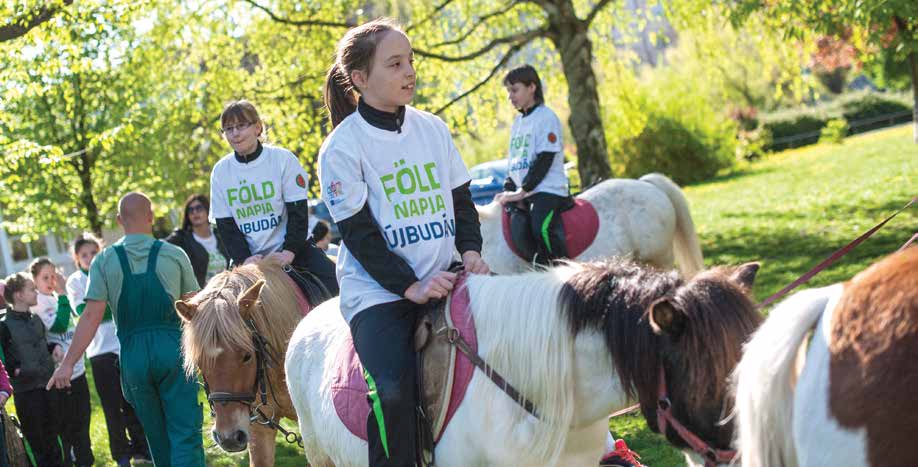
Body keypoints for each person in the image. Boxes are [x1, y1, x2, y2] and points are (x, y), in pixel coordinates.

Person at [319, 18, 489, 466]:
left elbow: (462, 200)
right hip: (379, 294)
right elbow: (358, 234)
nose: (409, 72)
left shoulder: (432, 128)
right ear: (359, 79)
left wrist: (470, 251)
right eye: (394, 64)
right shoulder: (341, 147)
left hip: (449, 277)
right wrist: (409, 286)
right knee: (392, 390)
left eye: (410, 61)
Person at [47, 192, 205, 467]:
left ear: (119, 220)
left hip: (132, 358)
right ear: (151, 217)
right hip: (174, 351)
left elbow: (90, 316)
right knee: (185, 434)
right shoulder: (174, 254)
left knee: (156, 438)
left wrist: (67, 364)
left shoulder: (104, 260)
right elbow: (195, 310)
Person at [209, 99, 339, 295]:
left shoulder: (282, 159)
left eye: (241, 125)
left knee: (336, 285)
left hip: (294, 251)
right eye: (228, 128)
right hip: (248, 259)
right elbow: (226, 227)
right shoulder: (220, 171)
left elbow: (298, 213)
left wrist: (289, 251)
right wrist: (245, 258)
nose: (235, 133)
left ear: (258, 127)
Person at [65, 234, 151, 467]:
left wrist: (102, 306)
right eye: (84, 255)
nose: (90, 258)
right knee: (112, 407)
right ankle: (121, 455)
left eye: (94, 252)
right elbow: (85, 312)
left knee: (134, 400)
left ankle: (143, 449)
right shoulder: (75, 282)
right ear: (77, 259)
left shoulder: (114, 272)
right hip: (99, 351)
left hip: (125, 346)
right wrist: (108, 305)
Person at [494, 64, 572, 266]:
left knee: (541, 227)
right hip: (525, 191)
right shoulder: (518, 122)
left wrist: (523, 191)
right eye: (508, 91)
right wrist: (507, 190)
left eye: (514, 90)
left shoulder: (547, 117)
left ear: (532, 87)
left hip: (547, 190)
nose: (510, 96)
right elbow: (515, 164)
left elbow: (544, 160)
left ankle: (560, 269)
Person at [30, 258, 94, 467]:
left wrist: (62, 297)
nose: (51, 281)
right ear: (35, 281)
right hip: (61, 375)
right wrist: (65, 296)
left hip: (78, 370)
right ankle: (71, 459)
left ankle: (85, 459)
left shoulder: (57, 298)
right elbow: (58, 325)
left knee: (84, 418)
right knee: (68, 424)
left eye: (53, 276)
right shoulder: (40, 302)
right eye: (45, 277)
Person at [0, 272, 63, 466]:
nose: (36, 292)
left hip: (47, 385)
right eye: (31, 289)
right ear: (18, 295)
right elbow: (3, 359)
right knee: (39, 443)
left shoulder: (36, 319)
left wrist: (53, 348)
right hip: (26, 392)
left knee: (54, 438)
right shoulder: (3, 325)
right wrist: (14, 370)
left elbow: (41, 345)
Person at [166, 194, 229, 287]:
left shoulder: (221, 235)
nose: (195, 212)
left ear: (208, 210)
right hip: (198, 296)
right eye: (190, 210)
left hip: (225, 292)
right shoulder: (181, 238)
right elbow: (161, 245)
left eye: (199, 208)